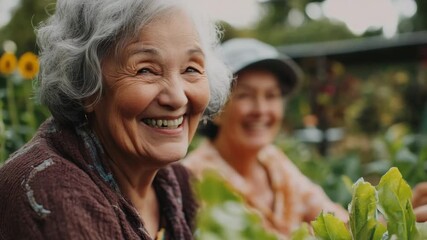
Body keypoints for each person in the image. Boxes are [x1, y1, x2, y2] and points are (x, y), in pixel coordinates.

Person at [0, 0, 232, 239]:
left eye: (191, 69)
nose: (177, 97)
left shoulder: (178, 185)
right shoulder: (54, 199)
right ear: (87, 84)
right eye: (146, 70)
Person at [183, 38, 348, 237]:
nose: (261, 110)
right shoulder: (191, 180)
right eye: (245, 95)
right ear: (215, 108)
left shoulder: (273, 162)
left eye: (271, 96)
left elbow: (336, 220)